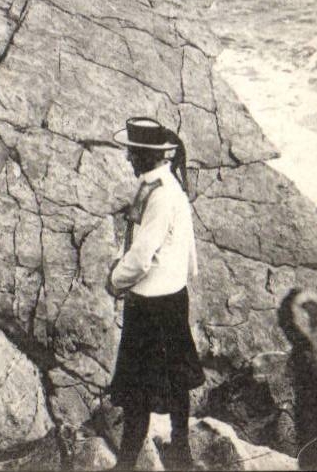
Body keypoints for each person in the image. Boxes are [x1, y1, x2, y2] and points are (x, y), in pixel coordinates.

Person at [108, 118, 205, 471]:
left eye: (133, 153)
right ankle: (181, 454)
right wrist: (177, 276)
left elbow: (141, 256)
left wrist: (115, 280)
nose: (128, 159)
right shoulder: (168, 186)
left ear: (148, 155)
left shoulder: (159, 195)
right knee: (176, 381)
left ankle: (125, 464)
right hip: (172, 298)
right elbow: (187, 251)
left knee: (137, 390)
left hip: (150, 306)